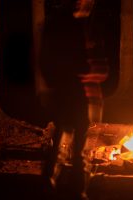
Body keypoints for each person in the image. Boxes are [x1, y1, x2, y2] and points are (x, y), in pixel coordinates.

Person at [39, 0, 92, 199]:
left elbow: (44, 59)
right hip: (74, 91)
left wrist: (51, 83)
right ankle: (77, 189)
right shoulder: (76, 27)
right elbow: (82, 63)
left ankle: (47, 182)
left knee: (59, 134)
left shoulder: (52, 25)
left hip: (60, 91)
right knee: (78, 141)